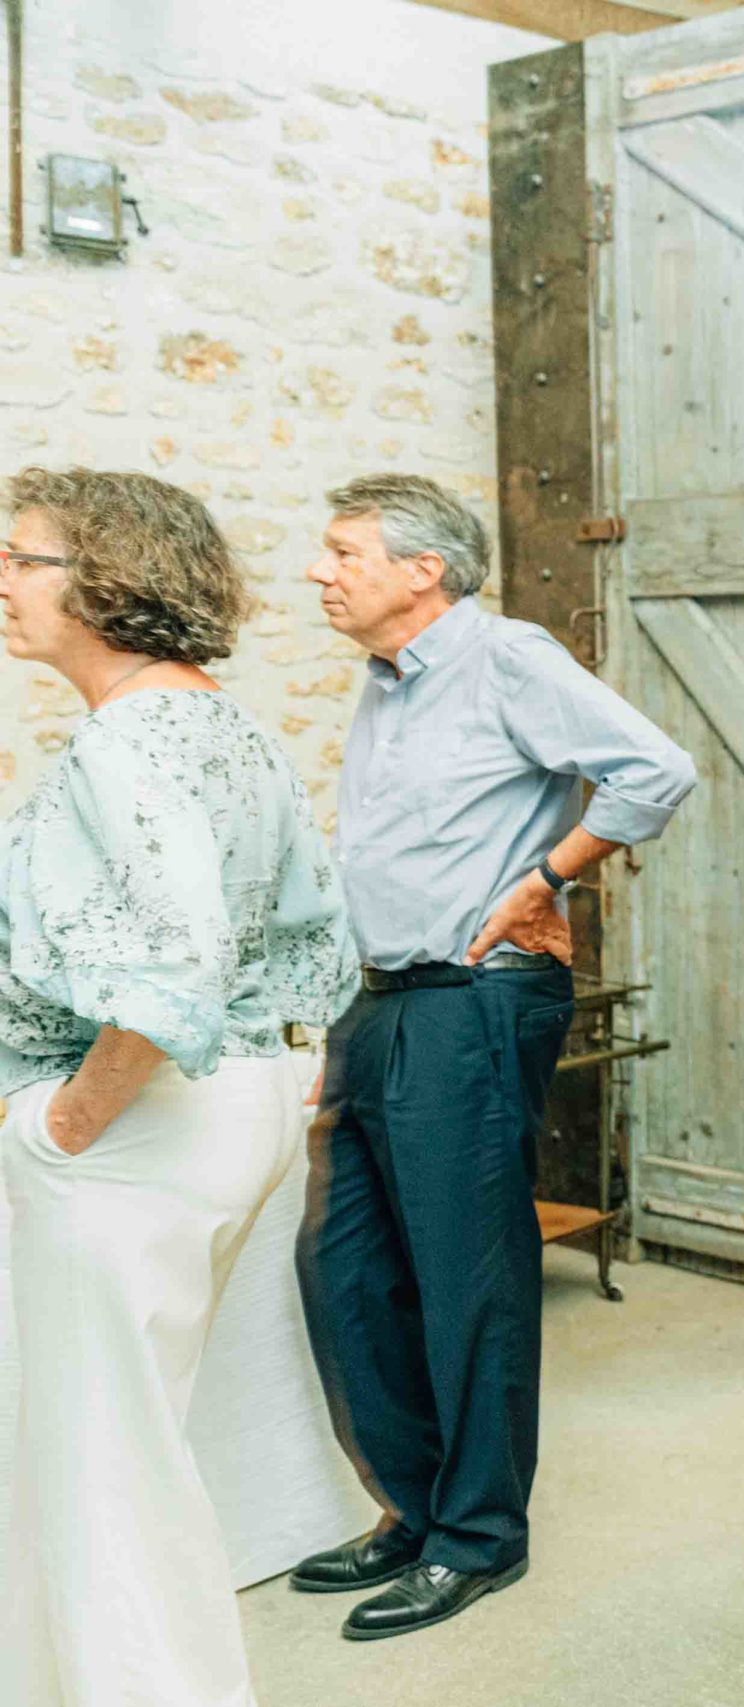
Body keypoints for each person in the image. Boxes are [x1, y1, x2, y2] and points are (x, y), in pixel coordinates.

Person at [292, 474, 697, 1639]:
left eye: (344, 552)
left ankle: (478, 1537)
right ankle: (416, 1509)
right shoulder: (387, 679)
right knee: (347, 1270)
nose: (321, 572)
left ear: (423, 570)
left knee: (466, 1278)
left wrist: (547, 876)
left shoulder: (504, 658)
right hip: (381, 1001)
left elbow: (656, 768)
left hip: (473, 999)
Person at [0, 468, 360, 1705]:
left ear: (109, 580)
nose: (2, 580)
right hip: (232, 1101)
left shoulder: (126, 741)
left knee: (102, 1467)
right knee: (116, 1447)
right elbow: (314, 936)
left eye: (23, 559)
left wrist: (65, 1122)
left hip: (137, 1131)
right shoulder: (226, 723)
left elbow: (171, 970)